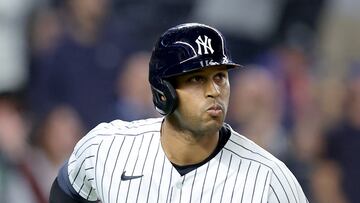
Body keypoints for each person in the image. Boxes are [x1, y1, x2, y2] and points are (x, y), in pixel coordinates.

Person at [49, 23, 308, 203]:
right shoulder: (108, 146)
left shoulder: (270, 178)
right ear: (163, 91)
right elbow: (67, 191)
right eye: (196, 79)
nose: (214, 90)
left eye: (220, 77)